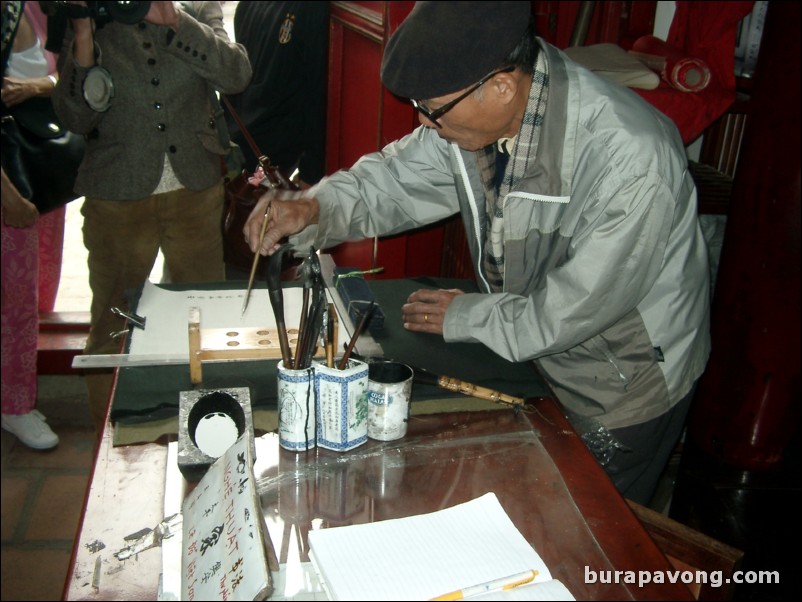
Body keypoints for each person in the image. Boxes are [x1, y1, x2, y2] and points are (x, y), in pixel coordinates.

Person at [245, 1, 711, 505]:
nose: (422, 121)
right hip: (535, 355)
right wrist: (313, 208)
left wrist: (469, 317)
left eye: (432, 109)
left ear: (503, 86)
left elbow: (571, 312)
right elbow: (397, 179)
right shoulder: (482, 110)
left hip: (621, 382)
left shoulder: (631, 160)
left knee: (592, 535)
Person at [51, 0, 251, 430]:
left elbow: (236, 75)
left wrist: (177, 21)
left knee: (202, 317)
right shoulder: (94, 12)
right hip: (117, 197)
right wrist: (84, 35)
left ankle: (203, 428)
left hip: (195, 193)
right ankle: (111, 435)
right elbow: (73, 115)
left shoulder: (195, 6)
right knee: (112, 324)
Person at [1, 0, 66, 450]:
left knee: (30, 298)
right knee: (17, 303)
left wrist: (39, 86)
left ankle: (16, 397)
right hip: (10, 180)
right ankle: (15, 406)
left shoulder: (42, 8)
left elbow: (77, 77)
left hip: (36, 162)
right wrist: (7, 196)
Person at [224, 1, 328, 189]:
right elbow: (318, 96)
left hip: (235, 136)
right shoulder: (314, 8)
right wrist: (311, 173)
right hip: (270, 149)